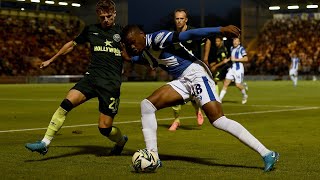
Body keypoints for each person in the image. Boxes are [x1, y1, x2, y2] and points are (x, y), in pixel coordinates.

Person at [121, 24, 279, 172]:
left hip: (197, 74)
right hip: (183, 81)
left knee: (218, 120)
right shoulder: (144, 52)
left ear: (141, 35)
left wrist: (220, 30)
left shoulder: (157, 38)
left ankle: (267, 153)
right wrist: (123, 55)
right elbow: (137, 59)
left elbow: (189, 34)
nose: (132, 46)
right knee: (147, 105)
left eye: (132, 42)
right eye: (129, 44)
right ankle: (153, 156)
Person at [25, 0, 128, 156]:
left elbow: (131, 54)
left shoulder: (122, 33)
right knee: (65, 104)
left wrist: (127, 53)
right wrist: (51, 59)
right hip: (91, 78)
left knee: (104, 128)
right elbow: (71, 44)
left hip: (110, 84)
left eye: (108, 16)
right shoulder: (91, 30)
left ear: (114, 14)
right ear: (97, 16)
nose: (105, 20)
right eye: (102, 17)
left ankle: (121, 141)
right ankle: (45, 143)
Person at [167, 8, 204, 131]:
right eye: (177, 18)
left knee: (194, 96)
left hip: (193, 69)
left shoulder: (193, 32)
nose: (179, 21)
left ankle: (198, 110)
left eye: (181, 18)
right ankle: (176, 120)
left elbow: (207, 40)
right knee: (174, 97)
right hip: (177, 69)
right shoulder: (171, 34)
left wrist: (206, 59)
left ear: (186, 19)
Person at [219, 37, 249, 104]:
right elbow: (231, 57)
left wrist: (236, 59)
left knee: (238, 85)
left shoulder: (241, 49)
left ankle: (245, 95)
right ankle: (219, 99)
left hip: (239, 70)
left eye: (236, 41)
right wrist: (228, 59)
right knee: (225, 83)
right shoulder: (232, 48)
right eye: (234, 41)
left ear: (239, 42)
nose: (235, 42)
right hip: (232, 69)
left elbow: (246, 58)